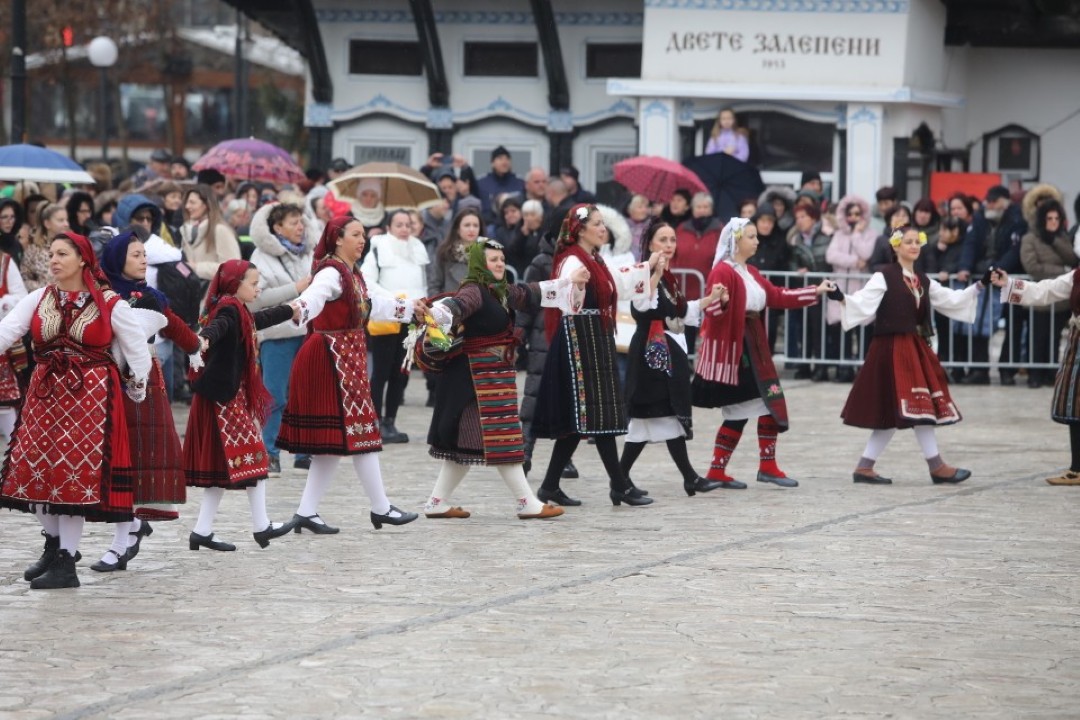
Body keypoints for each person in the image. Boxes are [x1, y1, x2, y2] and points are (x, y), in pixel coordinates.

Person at [0, 232, 152, 589]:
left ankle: (66, 563)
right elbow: (6, 332)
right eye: (51, 253)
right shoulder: (40, 298)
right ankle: (55, 547)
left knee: (71, 480)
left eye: (62, 254)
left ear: (83, 259)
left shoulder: (111, 303)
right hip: (44, 395)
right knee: (29, 471)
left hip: (92, 401)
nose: (53, 260)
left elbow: (137, 351)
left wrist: (137, 388)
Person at [418, 238, 584, 520]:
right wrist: (435, 313)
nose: (499, 264)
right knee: (504, 439)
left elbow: (532, 292)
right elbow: (456, 306)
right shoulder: (474, 290)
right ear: (480, 263)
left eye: (501, 259)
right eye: (493, 260)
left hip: (491, 379)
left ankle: (437, 502)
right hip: (476, 382)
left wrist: (569, 280)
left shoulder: (499, 291)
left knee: (468, 444)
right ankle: (526, 502)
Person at [279, 217, 419, 533]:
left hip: (347, 357)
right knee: (361, 430)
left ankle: (306, 512)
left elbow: (374, 305)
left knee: (337, 440)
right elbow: (313, 299)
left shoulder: (354, 274)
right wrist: (295, 310)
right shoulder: (331, 272)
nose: (362, 240)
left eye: (364, 235)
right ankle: (381, 508)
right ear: (338, 238)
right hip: (331, 358)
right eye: (356, 235)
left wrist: (412, 308)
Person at [832, 226, 984, 485]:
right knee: (915, 407)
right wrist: (840, 297)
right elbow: (862, 301)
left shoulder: (922, 280)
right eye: (908, 242)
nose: (914, 246)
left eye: (917, 242)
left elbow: (951, 299)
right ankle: (935, 466)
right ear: (896, 246)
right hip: (891, 349)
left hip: (913, 347)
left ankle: (866, 467)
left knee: (908, 408)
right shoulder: (884, 276)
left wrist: (981, 285)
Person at [532, 203, 656, 507]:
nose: (603, 229)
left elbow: (617, 285)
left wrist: (650, 267)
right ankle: (620, 484)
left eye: (604, 223)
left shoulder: (595, 258)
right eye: (597, 224)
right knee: (596, 415)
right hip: (578, 337)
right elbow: (563, 297)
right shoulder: (571, 259)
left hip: (595, 336)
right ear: (580, 229)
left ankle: (550, 486)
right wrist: (574, 285)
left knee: (588, 418)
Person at [91, 230, 201, 572]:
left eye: (144, 254)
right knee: (111, 458)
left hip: (141, 382)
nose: (143, 260)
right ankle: (133, 527)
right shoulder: (99, 294)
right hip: (105, 380)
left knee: (133, 456)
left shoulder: (151, 297)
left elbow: (177, 329)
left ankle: (121, 542)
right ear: (117, 258)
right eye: (136, 254)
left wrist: (199, 348)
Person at [693, 218, 829, 489]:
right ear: (736, 241)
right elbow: (710, 312)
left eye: (756, 236)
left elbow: (777, 296)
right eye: (751, 237)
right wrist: (722, 302)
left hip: (755, 342)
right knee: (747, 406)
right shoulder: (722, 271)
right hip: (736, 346)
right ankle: (729, 469)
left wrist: (815, 291)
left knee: (764, 402)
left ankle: (753, 467)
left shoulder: (751, 271)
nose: (757, 241)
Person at [184, 260, 297, 551]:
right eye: (253, 282)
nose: (258, 287)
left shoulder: (236, 308)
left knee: (226, 467)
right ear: (236, 284)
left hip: (225, 396)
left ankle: (202, 531)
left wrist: (289, 310)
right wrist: (205, 339)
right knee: (255, 457)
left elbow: (256, 320)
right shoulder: (229, 308)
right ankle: (262, 527)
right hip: (225, 399)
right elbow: (218, 327)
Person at [620, 220, 726, 496]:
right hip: (648, 355)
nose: (669, 245)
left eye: (672, 240)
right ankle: (622, 481)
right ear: (650, 244)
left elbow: (680, 311)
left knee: (663, 418)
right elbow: (640, 304)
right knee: (655, 416)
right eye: (662, 240)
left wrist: (710, 297)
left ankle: (684, 478)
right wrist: (654, 271)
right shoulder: (643, 271)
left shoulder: (669, 277)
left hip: (666, 350)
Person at [993, 264, 1080, 484]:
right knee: (1074, 404)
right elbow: (1047, 290)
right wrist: (1010, 283)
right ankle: (1077, 469)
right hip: (1078, 340)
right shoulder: (1077, 275)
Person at [248, 202, 317, 474]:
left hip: (308, 332)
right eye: (293, 222)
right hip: (278, 334)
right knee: (274, 395)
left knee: (306, 395)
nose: (300, 227)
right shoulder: (260, 257)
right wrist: (295, 289)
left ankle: (304, 451)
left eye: (301, 221)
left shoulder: (309, 253)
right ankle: (270, 451)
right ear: (277, 227)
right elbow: (255, 299)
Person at [361, 208, 429, 444]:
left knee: (401, 373)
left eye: (408, 224)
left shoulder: (417, 249)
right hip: (387, 316)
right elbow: (367, 281)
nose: (404, 229)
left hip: (411, 318)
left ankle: (390, 420)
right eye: (399, 224)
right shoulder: (378, 248)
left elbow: (423, 282)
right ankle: (375, 421)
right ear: (389, 227)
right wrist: (394, 300)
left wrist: (421, 305)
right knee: (380, 372)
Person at [957, 185, 1027, 385]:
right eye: (989, 200)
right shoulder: (980, 219)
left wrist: (997, 270)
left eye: (994, 201)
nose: (990, 204)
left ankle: (1007, 371)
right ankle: (980, 370)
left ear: (1004, 203)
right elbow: (970, 244)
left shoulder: (1017, 220)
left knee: (1013, 326)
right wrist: (965, 267)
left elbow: (1015, 251)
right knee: (980, 325)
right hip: (984, 278)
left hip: (1008, 278)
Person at [1019, 200, 1075, 388]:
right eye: (1049, 218)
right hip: (1039, 298)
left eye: (1056, 218)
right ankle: (1035, 374)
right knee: (1038, 338)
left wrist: (1055, 241)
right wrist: (1062, 270)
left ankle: (1051, 374)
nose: (1053, 222)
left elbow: (1073, 260)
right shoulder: (1030, 238)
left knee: (1055, 338)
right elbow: (1033, 267)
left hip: (1060, 302)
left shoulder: (1062, 238)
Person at [826, 195, 879, 382]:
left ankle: (863, 371)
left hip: (860, 290)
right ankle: (844, 369)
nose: (854, 217)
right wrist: (854, 262)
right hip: (842, 287)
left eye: (858, 213)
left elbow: (867, 253)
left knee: (863, 331)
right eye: (850, 213)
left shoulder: (870, 234)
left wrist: (857, 234)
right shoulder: (839, 234)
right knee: (843, 331)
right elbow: (831, 255)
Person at [786, 203, 832, 380]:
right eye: (797, 218)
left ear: (813, 217)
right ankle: (804, 365)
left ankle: (821, 367)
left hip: (822, 289)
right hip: (803, 288)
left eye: (803, 217)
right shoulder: (795, 239)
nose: (800, 221)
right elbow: (790, 262)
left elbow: (828, 260)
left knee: (819, 330)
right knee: (803, 328)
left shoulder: (826, 236)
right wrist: (796, 270)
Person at [180, 184, 241, 281]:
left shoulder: (220, 230)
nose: (187, 206)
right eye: (187, 202)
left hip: (214, 293)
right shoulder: (186, 231)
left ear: (206, 205)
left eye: (192, 202)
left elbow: (233, 269)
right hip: (192, 292)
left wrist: (196, 267)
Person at [22, 203, 69, 291]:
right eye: (61, 220)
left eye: (66, 220)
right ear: (47, 224)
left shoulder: (73, 248)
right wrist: (42, 289)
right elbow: (24, 277)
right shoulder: (34, 249)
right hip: (41, 299)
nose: (66, 224)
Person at [476, 146, 525, 223]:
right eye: (500, 158)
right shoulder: (481, 184)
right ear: (492, 163)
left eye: (507, 159)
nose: (504, 162)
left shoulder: (520, 183)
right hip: (490, 226)